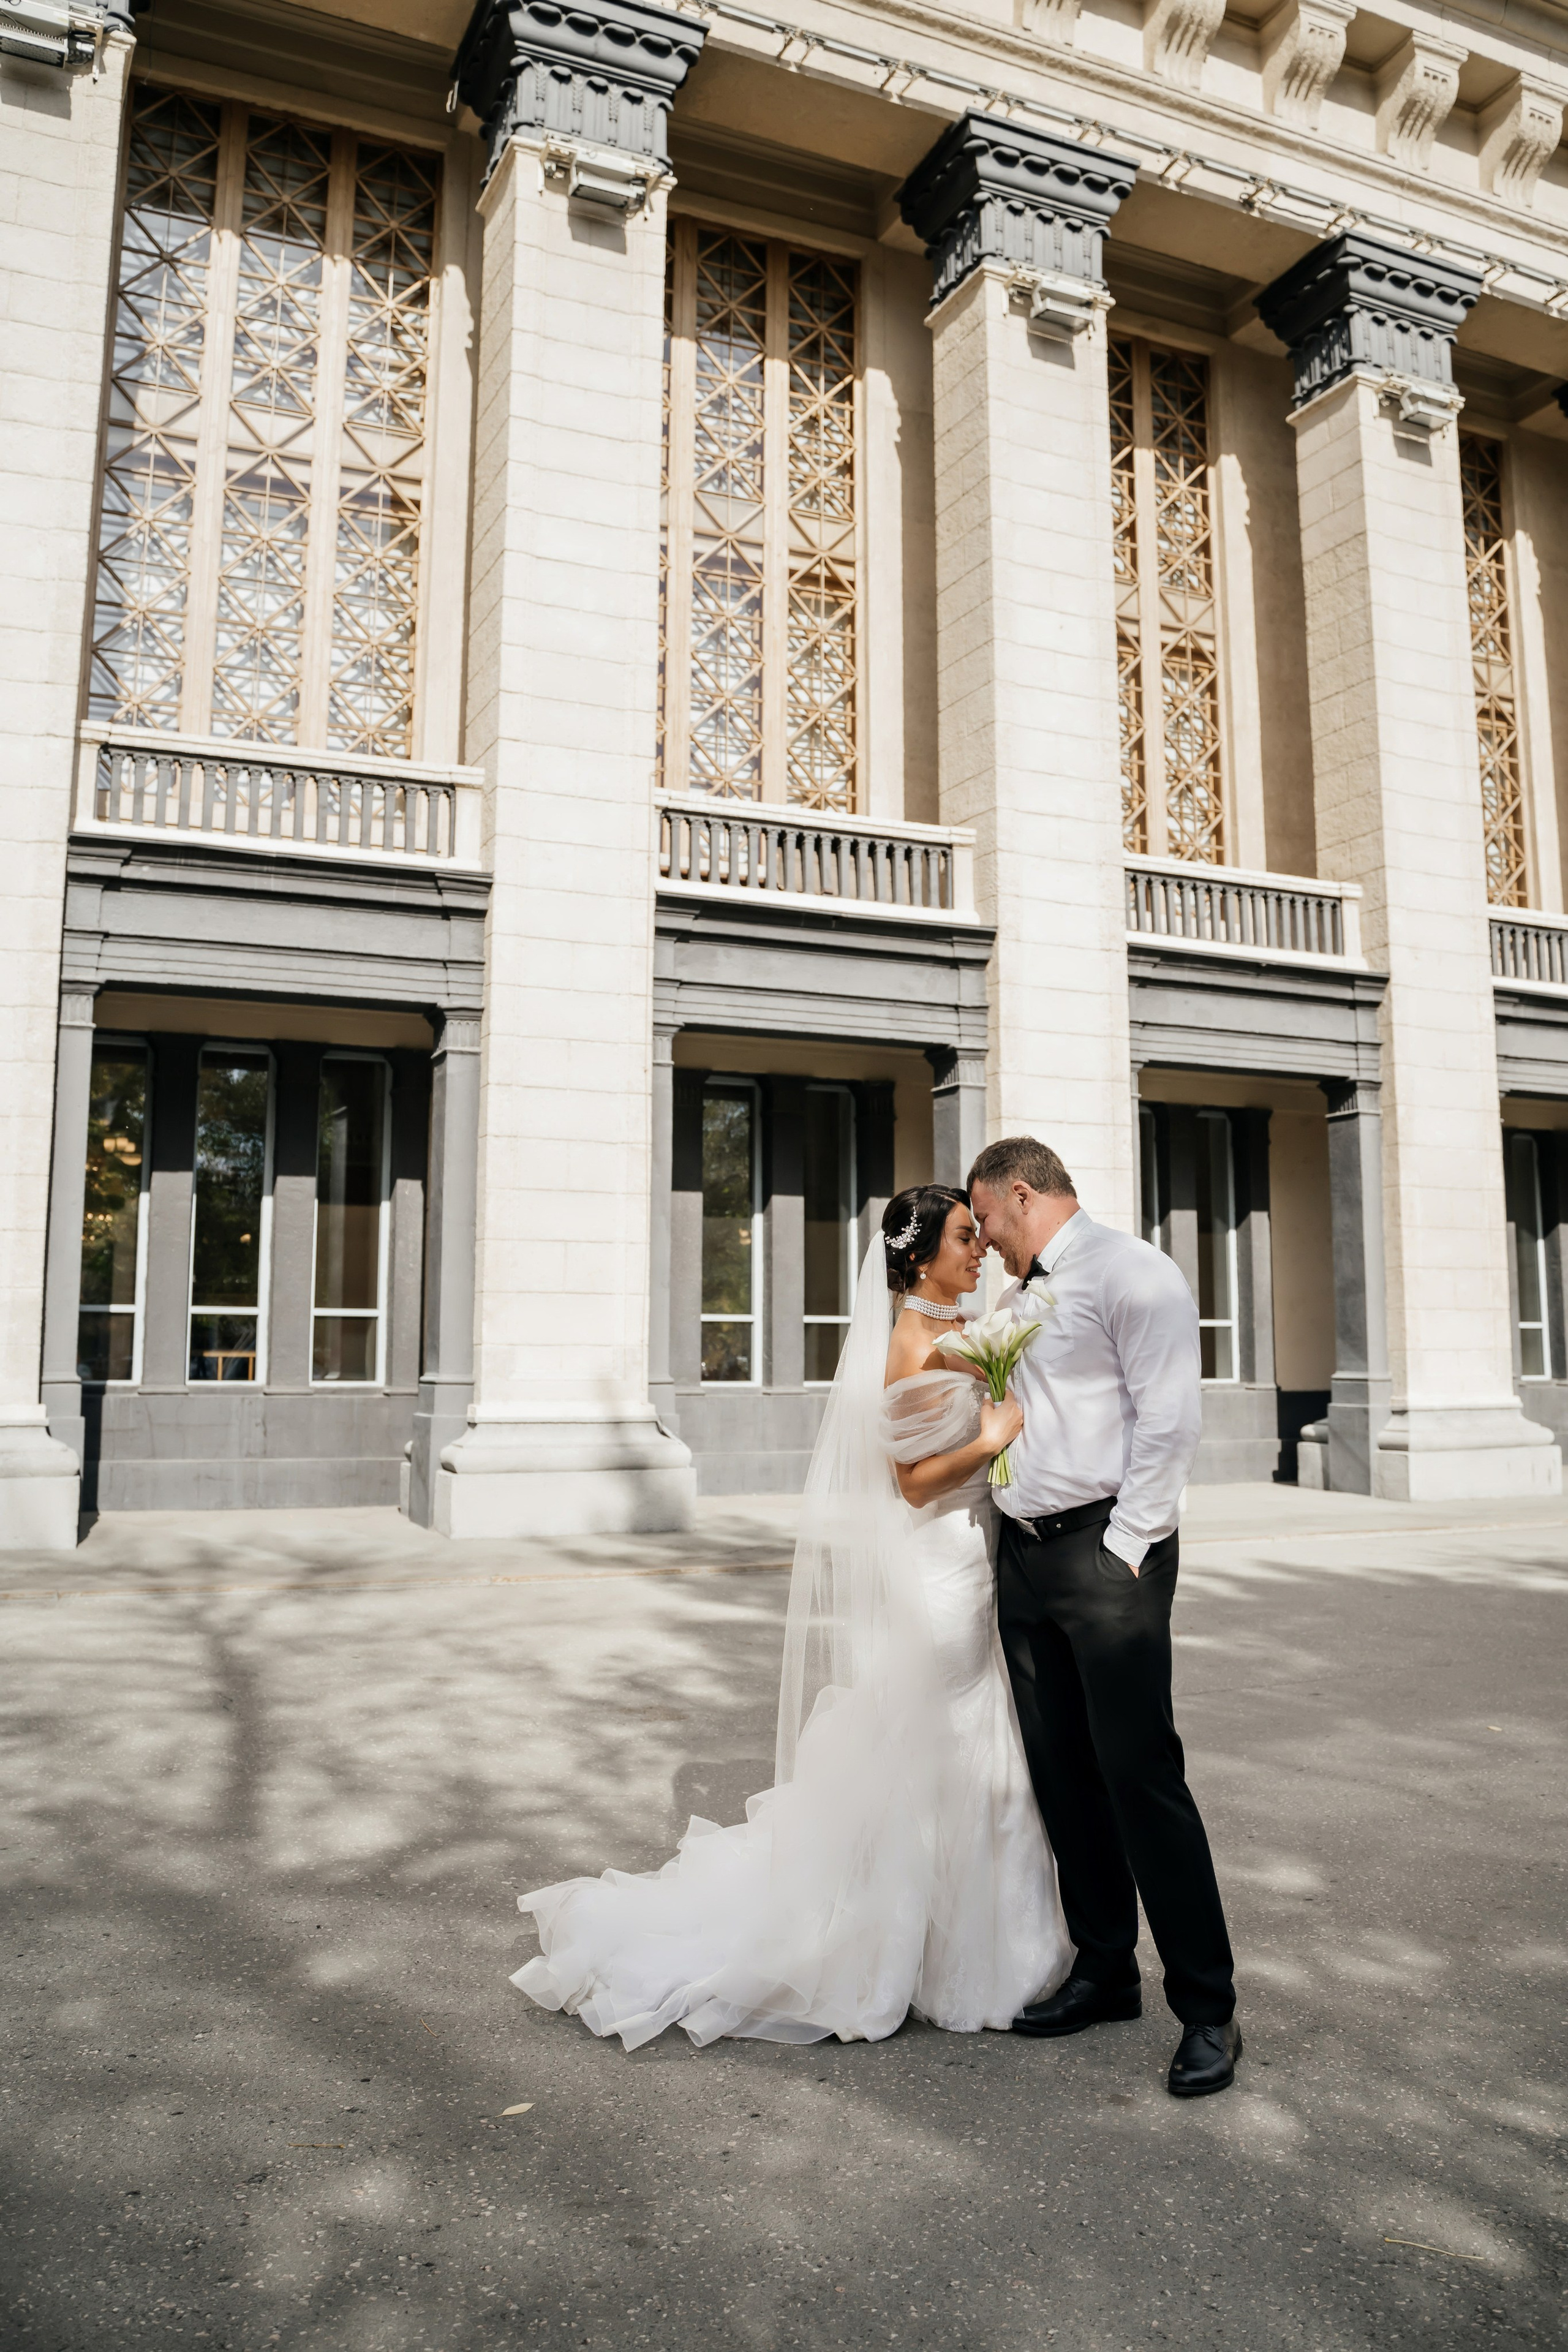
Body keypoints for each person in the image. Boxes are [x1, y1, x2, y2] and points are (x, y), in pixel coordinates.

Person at [511, 1186, 1071, 2048]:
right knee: (951, 1733)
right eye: (965, 1238)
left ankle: (954, 1937)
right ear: (920, 1257)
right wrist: (992, 1442)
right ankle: (948, 1952)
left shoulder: (956, 1332)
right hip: (940, 1564)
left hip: (969, 1553)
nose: (979, 1252)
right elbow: (912, 1482)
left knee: (962, 1731)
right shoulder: (914, 1342)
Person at [967, 1134, 1241, 2098]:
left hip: (1105, 1553)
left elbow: (1169, 1420)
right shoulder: (1017, 1296)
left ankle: (1208, 2009)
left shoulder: (1137, 1273)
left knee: (1139, 1775)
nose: (985, 1239)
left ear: (1022, 1193)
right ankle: (1105, 1968)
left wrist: (1127, 1546)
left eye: (989, 1219)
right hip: (1026, 1558)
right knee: (1062, 1771)